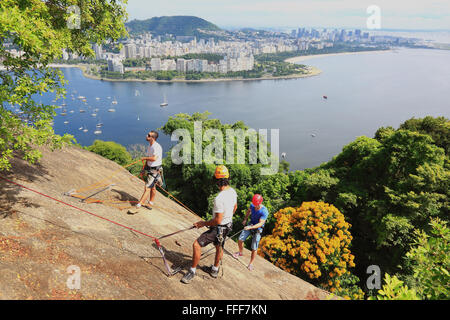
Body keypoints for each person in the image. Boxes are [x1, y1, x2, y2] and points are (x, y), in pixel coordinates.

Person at [181, 165, 237, 284]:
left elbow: (217, 221)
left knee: (196, 244)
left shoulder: (219, 198)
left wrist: (203, 223)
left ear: (217, 181)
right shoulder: (232, 192)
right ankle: (215, 270)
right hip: (228, 225)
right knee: (219, 246)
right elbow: (235, 207)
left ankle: (192, 271)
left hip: (219, 227)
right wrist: (227, 217)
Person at [128, 130, 163, 214]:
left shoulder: (156, 147)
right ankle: (150, 203)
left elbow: (154, 158)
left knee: (147, 187)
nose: (146, 136)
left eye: (149, 135)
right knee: (152, 187)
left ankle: (138, 205)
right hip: (151, 169)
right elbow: (149, 159)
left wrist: (144, 158)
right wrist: (144, 169)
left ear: (153, 138)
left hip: (155, 170)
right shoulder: (150, 146)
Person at [232, 194, 269, 271]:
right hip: (251, 224)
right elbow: (249, 211)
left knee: (254, 247)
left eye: (256, 205)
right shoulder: (252, 205)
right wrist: (245, 219)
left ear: (260, 203)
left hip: (258, 228)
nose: (255, 206)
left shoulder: (264, 211)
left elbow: (260, 223)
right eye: (254, 204)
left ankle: (251, 263)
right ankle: (240, 252)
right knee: (240, 239)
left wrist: (250, 227)